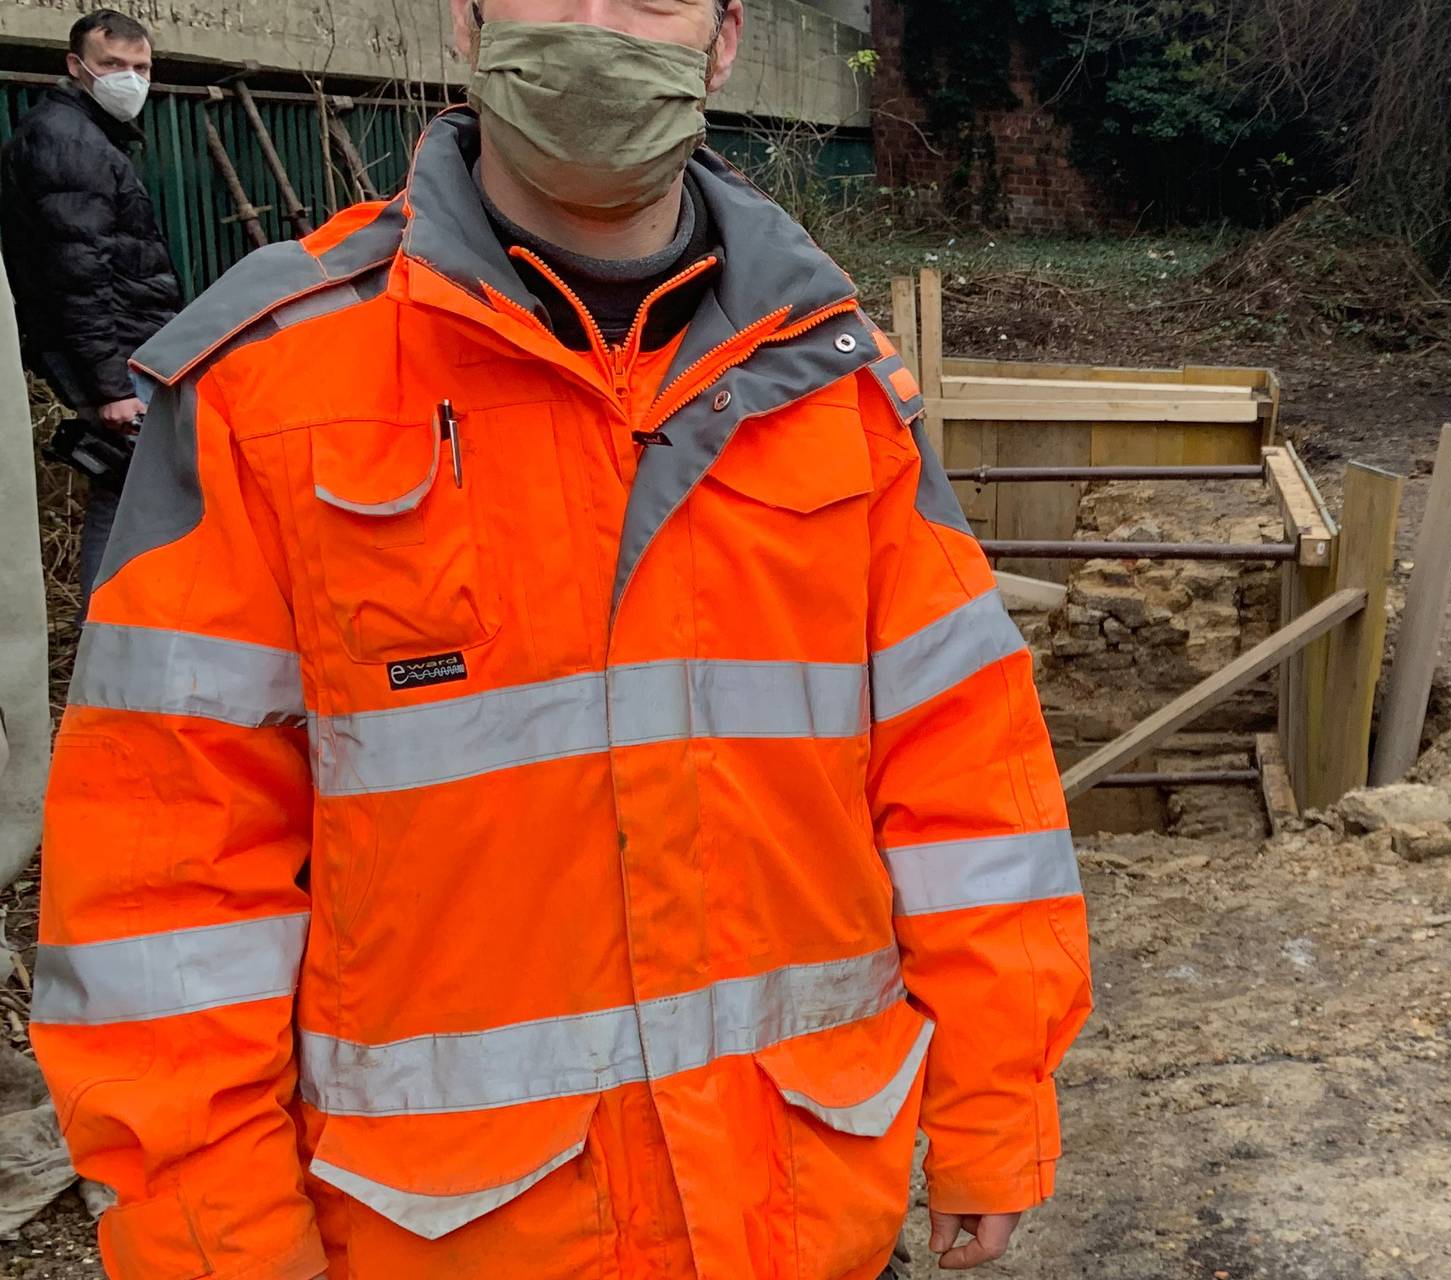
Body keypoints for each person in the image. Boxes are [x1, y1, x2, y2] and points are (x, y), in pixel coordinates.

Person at [30, 1, 1090, 1277]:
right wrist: (219, 1244)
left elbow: (971, 780)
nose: (593, 25)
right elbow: (164, 884)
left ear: (723, 37)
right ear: (468, 22)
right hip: (446, 1236)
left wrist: (994, 1098)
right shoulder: (270, 387)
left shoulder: (834, 385)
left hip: (801, 1208)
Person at [0, 9, 178, 593]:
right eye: (113, 65)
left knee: (126, 493)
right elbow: (75, 275)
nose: (130, 78)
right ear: (77, 67)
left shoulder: (81, 134)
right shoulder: (67, 142)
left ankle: (116, 642)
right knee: (124, 498)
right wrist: (110, 388)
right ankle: (106, 642)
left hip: (125, 349)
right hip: (122, 359)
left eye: (141, 67)